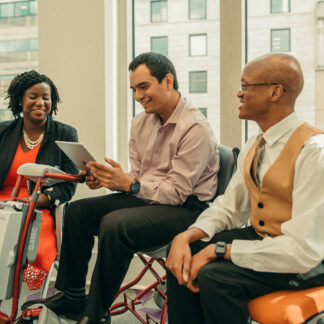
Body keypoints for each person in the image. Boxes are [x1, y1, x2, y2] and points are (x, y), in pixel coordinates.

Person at [25, 52, 219, 324]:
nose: (138, 96)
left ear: (168, 80)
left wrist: (131, 184)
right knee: (78, 211)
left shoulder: (195, 128)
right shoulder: (141, 122)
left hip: (187, 209)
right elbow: (140, 177)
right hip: (152, 200)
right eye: (134, 90)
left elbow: (176, 192)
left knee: (116, 225)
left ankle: (96, 313)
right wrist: (109, 178)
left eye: (144, 87)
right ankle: (72, 295)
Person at [165, 53, 324, 324]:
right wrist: (186, 236)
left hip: (309, 257)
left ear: (275, 92)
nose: (239, 94)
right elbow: (230, 207)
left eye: (246, 86)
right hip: (264, 239)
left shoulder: (314, 152)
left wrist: (219, 251)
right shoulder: (254, 144)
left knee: (215, 278)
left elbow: (304, 249)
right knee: (181, 255)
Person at [0, 70, 79, 290]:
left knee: (38, 233)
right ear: (19, 100)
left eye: (46, 97)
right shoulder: (3, 132)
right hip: (2, 202)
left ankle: (34, 299)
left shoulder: (65, 133)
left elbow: (69, 183)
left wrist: (40, 199)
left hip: (38, 205)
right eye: (33, 96)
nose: (40, 102)